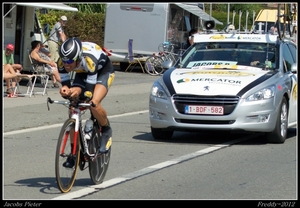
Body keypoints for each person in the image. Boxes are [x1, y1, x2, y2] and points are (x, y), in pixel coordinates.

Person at [58, 37, 115, 168]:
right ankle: (74, 153)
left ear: (78, 57)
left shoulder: (89, 60)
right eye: (64, 61)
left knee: (93, 102)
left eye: (70, 61)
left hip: (102, 72)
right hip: (82, 72)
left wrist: (79, 95)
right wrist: (67, 90)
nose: (66, 64)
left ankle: (106, 130)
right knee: (73, 107)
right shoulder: (62, 62)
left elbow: (88, 92)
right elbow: (66, 84)